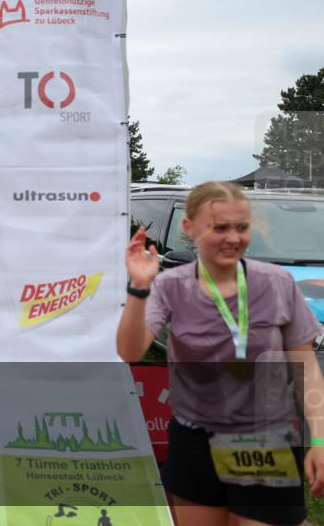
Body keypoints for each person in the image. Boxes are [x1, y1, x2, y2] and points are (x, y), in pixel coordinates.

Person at [116, 181, 324, 526]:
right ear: (189, 226)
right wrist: (139, 288)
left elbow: (305, 368)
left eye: (241, 228)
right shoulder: (170, 285)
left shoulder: (277, 283)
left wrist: (319, 437)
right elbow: (129, 350)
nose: (233, 238)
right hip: (194, 439)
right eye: (220, 227)